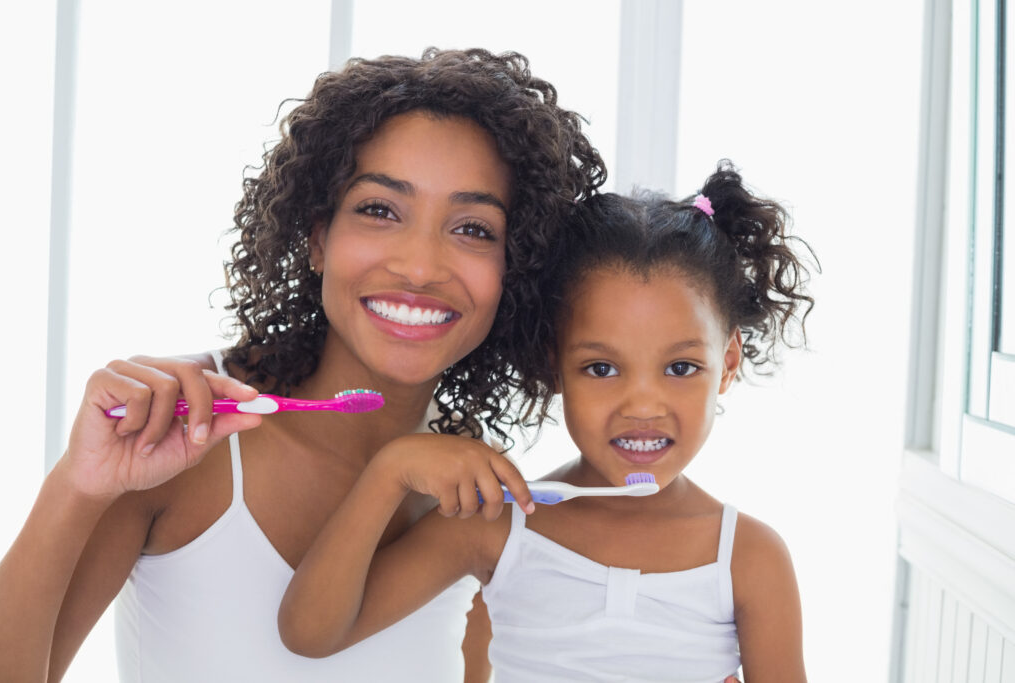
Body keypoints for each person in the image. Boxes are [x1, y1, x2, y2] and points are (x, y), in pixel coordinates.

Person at [0, 48, 606, 682]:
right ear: (317, 237)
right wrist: (78, 485)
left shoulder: (474, 498)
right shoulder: (186, 430)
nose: (421, 267)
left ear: (517, 268)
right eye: (380, 210)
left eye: (474, 228)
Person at [278, 161, 815, 682]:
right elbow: (311, 633)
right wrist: (390, 470)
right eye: (601, 367)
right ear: (552, 364)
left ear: (727, 364)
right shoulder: (498, 524)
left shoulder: (748, 559)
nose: (643, 406)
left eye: (681, 367)